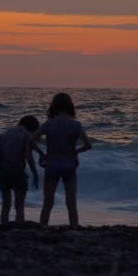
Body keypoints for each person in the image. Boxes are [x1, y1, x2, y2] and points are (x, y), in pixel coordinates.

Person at [32, 93, 91, 227]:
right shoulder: (76, 125)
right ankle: (74, 229)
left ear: (54, 106)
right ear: (70, 106)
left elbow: (31, 140)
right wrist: (76, 151)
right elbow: (88, 145)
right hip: (69, 165)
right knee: (71, 204)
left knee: (47, 203)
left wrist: (41, 153)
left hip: (52, 164)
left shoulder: (49, 124)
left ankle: (42, 229)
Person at [0, 115, 45, 225]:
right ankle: (19, 232)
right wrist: (35, 173)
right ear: (32, 128)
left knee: (6, 205)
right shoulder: (26, 135)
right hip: (18, 173)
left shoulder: (4, 134)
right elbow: (28, 156)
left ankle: (3, 230)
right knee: (19, 206)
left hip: (3, 173)